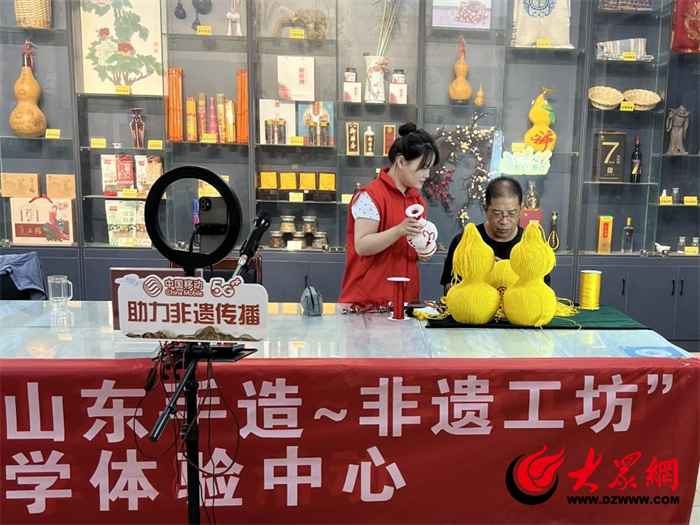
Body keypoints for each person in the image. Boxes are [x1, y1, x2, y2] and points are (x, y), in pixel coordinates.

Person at [339, 122, 440, 305]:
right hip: (368, 300)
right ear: (401, 162)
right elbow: (362, 246)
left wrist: (422, 251)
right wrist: (399, 230)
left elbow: (410, 244)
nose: (427, 174)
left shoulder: (417, 200)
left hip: (405, 297)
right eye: (423, 167)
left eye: (430, 168)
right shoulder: (370, 196)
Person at [440, 177, 551, 294]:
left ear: (521, 210)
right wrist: (482, 275)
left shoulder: (533, 245)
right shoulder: (464, 242)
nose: (504, 221)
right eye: (497, 213)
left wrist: (508, 272)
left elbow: (543, 292)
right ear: (486, 209)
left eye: (511, 213)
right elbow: (449, 290)